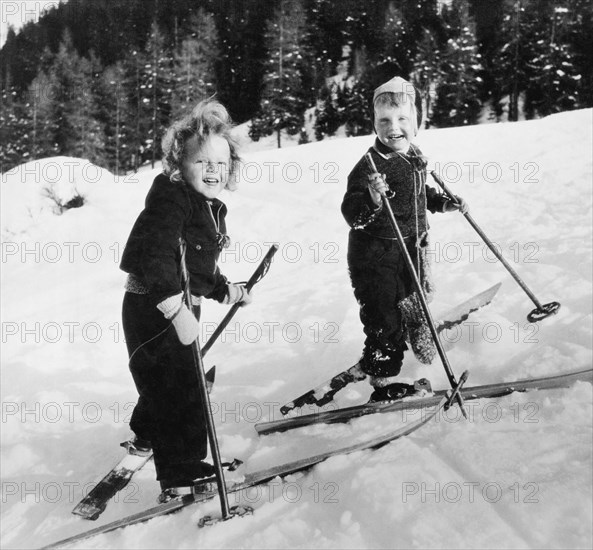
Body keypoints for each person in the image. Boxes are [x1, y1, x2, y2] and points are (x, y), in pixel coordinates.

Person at [119, 99, 251, 498]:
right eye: (202, 162)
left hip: (175, 304)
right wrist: (174, 308)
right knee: (181, 387)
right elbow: (157, 255)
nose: (213, 171)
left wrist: (223, 288)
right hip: (152, 306)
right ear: (180, 165)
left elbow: (196, 264)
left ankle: (147, 433)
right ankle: (181, 473)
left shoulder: (205, 206)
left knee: (172, 380)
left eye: (221, 164)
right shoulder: (170, 202)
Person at [341, 76, 468, 402]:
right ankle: (382, 382)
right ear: (374, 123)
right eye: (384, 120)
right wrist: (372, 196)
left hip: (410, 247)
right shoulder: (369, 166)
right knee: (384, 316)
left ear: (417, 123)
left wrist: (442, 202)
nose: (393, 127)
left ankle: (420, 336)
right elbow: (352, 215)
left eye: (402, 119)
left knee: (414, 302)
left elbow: (417, 194)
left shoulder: (414, 157)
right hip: (375, 255)